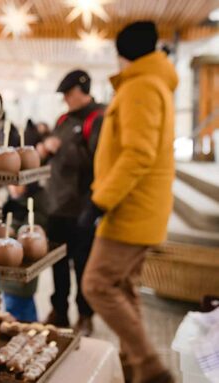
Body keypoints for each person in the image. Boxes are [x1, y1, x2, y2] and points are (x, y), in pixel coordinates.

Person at [80, 21, 177, 383]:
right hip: (139, 206)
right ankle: (134, 367)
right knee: (121, 286)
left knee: (97, 284)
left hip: (130, 209)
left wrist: (100, 201)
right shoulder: (153, 83)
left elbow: (138, 153)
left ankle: (150, 366)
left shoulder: (142, 86)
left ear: (123, 53)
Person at [43, 70, 105, 336]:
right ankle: (59, 311)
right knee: (57, 262)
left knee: (82, 265)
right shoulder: (63, 120)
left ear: (83, 91)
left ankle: (85, 315)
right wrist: (45, 148)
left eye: (69, 94)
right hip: (56, 205)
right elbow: (54, 155)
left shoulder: (98, 118)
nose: (66, 100)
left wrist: (61, 148)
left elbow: (98, 159)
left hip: (81, 207)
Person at [0, 183, 49, 322]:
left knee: (22, 309)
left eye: (18, 185)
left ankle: (27, 331)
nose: (14, 188)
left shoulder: (36, 203)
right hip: (6, 274)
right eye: (11, 185)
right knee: (10, 304)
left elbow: (31, 235)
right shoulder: (10, 203)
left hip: (22, 272)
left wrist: (13, 230)